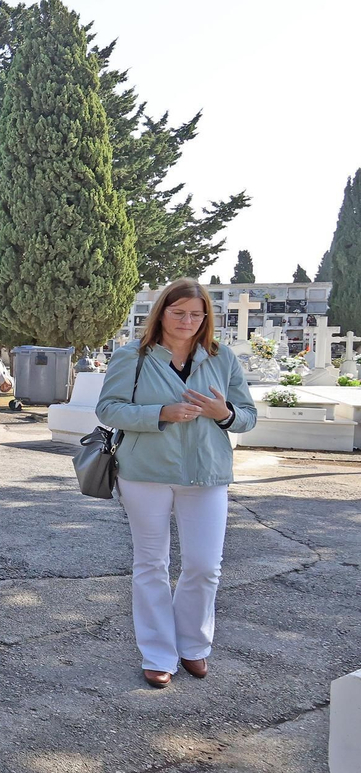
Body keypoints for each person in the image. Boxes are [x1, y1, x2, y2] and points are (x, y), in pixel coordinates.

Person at [95, 278, 256, 689]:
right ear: (161, 312)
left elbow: (248, 416)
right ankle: (158, 653)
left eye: (196, 314)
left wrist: (224, 413)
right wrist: (160, 413)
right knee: (151, 565)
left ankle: (194, 646)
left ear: (206, 318)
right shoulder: (132, 356)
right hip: (145, 472)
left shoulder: (222, 358)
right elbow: (109, 409)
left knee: (204, 566)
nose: (187, 320)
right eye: (178, 311)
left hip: (207, 473)